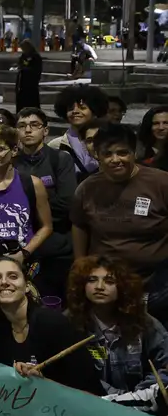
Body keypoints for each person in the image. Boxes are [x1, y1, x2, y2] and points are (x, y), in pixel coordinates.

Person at [71, 123, 168, 326]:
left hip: (156, 286)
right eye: (108, 154)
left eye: (123, 153)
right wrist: (80, 269)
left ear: (134, 153)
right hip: (105, 284)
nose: (116, 160)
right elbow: (79, 226)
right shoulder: (87, 188)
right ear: (96, 154)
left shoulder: (161, 183)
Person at [0, 256, 100, 394]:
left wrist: (42, 382)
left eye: (13, 276)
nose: (4, 282)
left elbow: (87, 387)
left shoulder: (51, 322)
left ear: (27, 286)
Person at [65, 256, 168, 412]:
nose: (99, 287)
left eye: (109, 281)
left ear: (122, 287)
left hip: (140, 410)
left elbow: (165, 368)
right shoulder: (69, 323)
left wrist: (133, 398)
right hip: (87, 409)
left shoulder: (144, 323)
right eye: (92, 280)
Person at [14, 108, 77, 298]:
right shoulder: (12, 163)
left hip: (56, 247)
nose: (28, 130)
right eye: (22, 126)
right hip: (21, 245)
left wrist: (28, 203)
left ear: (45, 131)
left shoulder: (60, 159)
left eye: (34, 125)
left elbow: (66, 204)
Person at [0, 125, 53, 267]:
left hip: (21, 259)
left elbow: (46, 227)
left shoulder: (32, 184)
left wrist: (25, 253)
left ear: (14, 150)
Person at [48, 84, 109, 181]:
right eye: (70, 108)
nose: (75, 111)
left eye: (82, 107)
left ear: (95, 110)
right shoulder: (55, 146)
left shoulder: (109, 141)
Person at [15, 40, 43, 111]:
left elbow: (36, 69)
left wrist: (25, 69)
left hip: (31, 83)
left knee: (32, 102)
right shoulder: (24, 55)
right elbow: (20, 63)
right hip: (22, 83)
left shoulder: (35, 56)